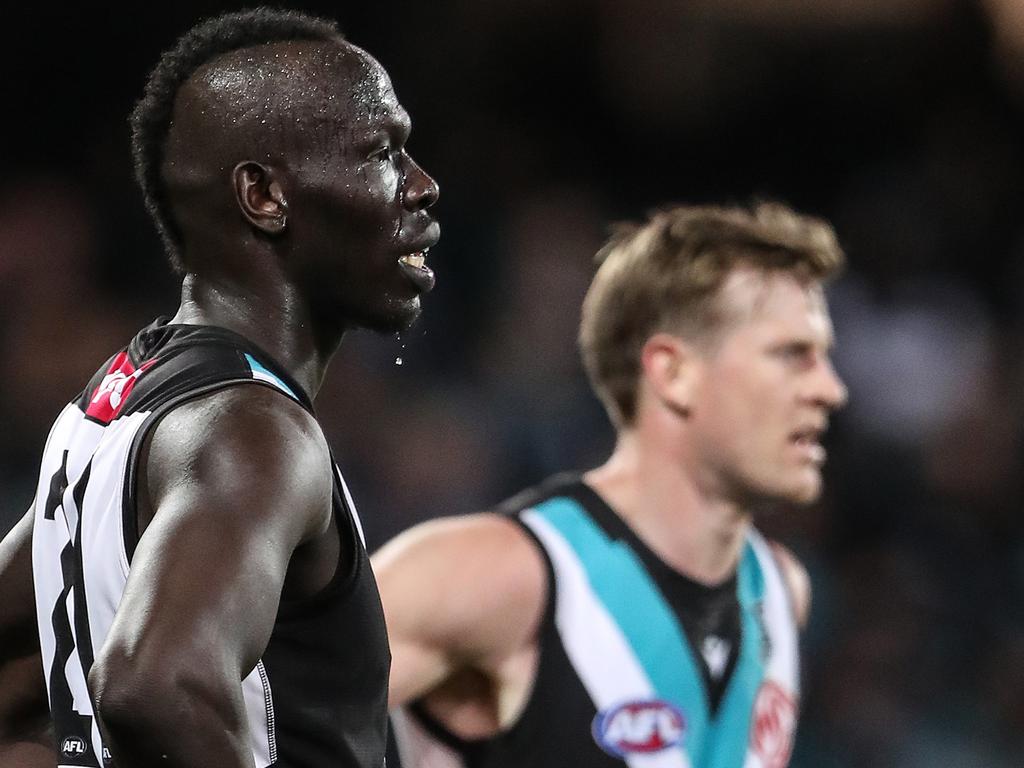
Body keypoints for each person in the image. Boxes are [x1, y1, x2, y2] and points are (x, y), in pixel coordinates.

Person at [0, 8, 439, 768]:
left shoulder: (110, 405)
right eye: (383, 153)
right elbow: (156, 685)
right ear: (264, 195)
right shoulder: (252, 429)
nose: (423, 187)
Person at [375, 202, 847, 767]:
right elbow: (258, 717)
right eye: (792, 355)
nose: (829, 389)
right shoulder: (500, 575)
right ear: (673, 373)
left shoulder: (779, 594)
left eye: (823, 357)